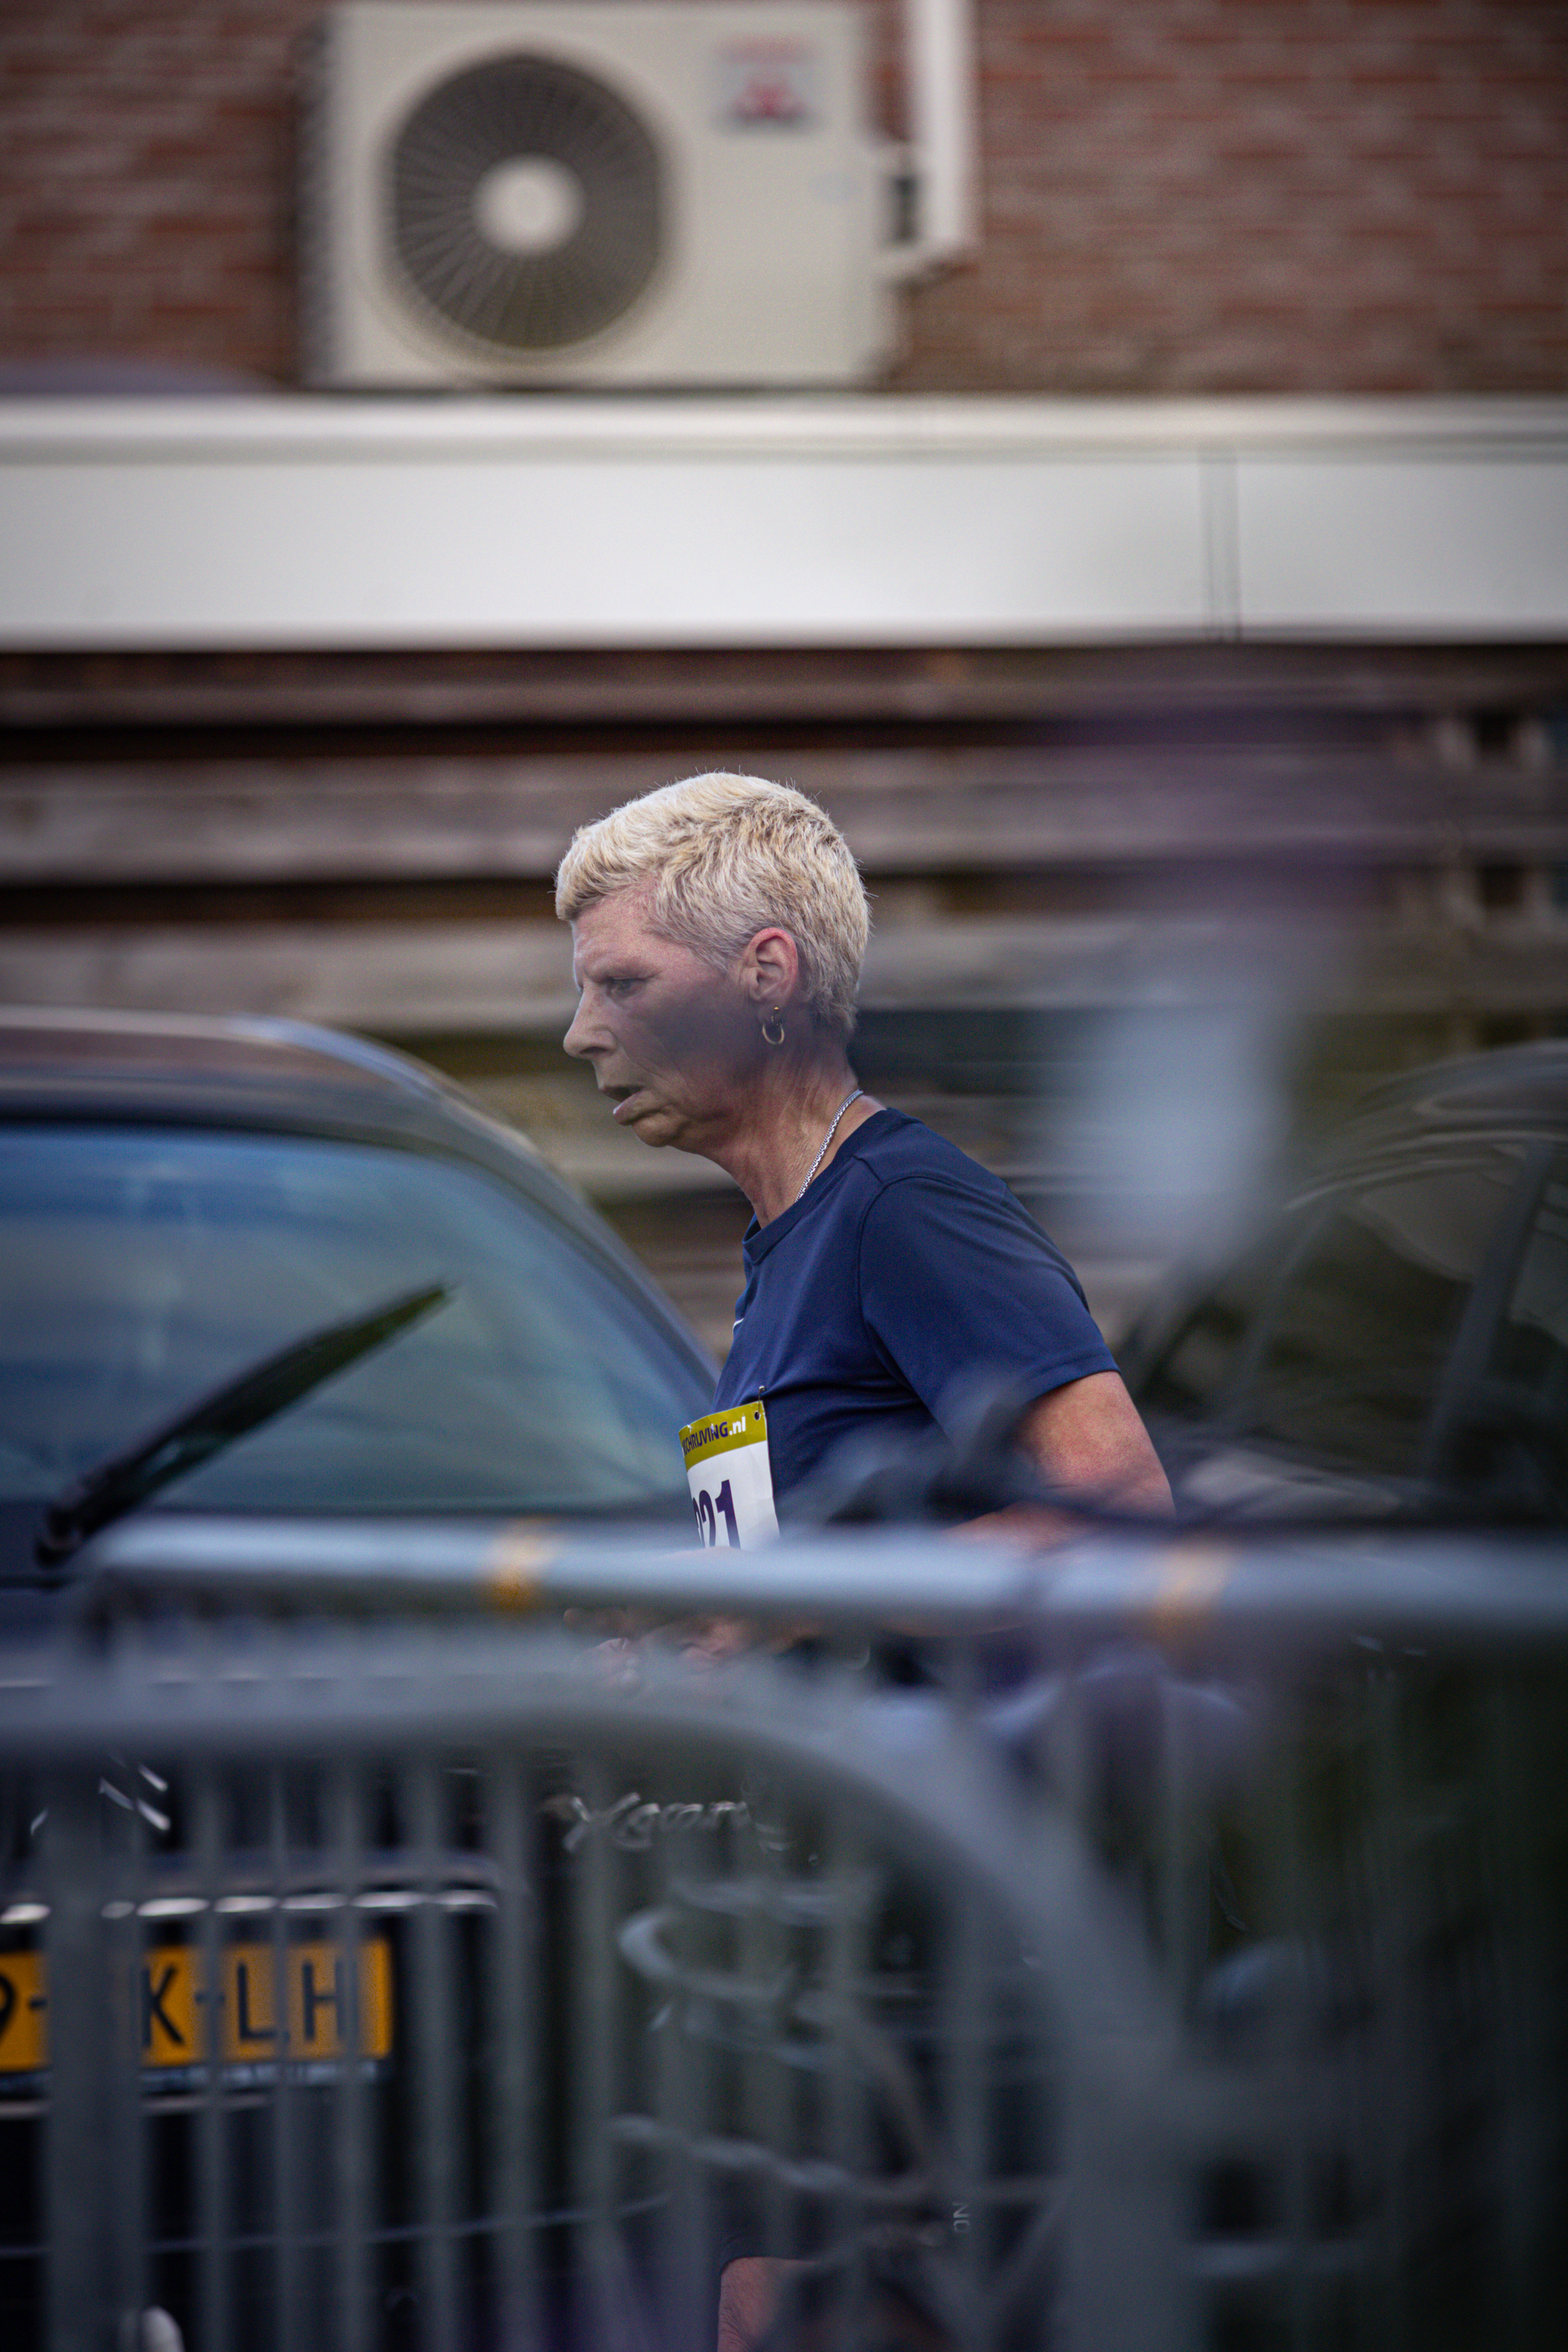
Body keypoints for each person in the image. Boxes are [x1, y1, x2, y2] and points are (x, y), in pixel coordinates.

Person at [556, 770, 1171, 1530]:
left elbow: (1124, 1511)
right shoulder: (796, 1232)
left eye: (623, 984)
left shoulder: (904, 1209)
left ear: (767, 976)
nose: (579, 1034)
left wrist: (791, 1609)